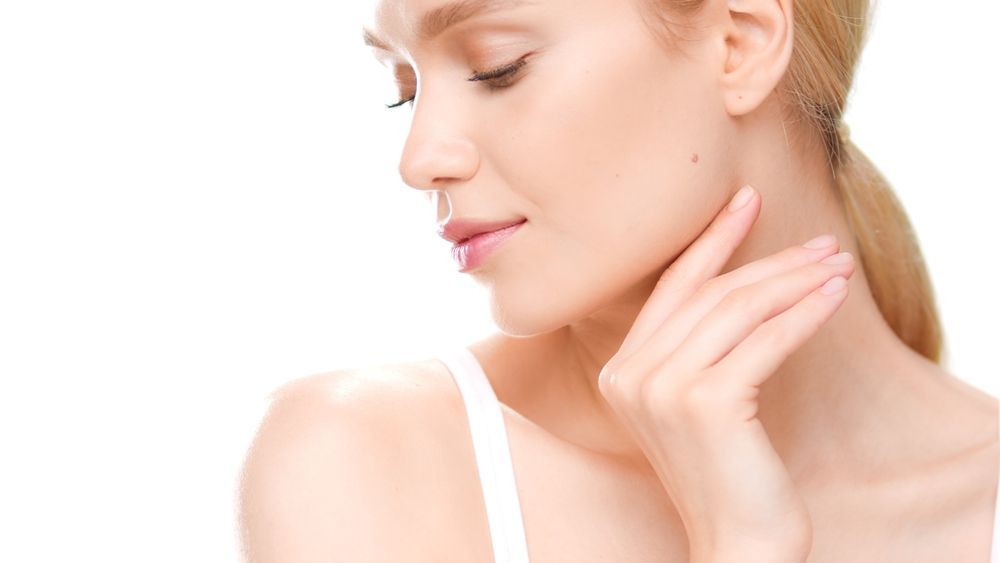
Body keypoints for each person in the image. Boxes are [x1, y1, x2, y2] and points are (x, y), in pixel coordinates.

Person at [237, 0, 1000, 560]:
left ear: (740, 41)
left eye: (496, 66)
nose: (419, 158)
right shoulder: (362, 461)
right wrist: (741, 546)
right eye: (404, 88)